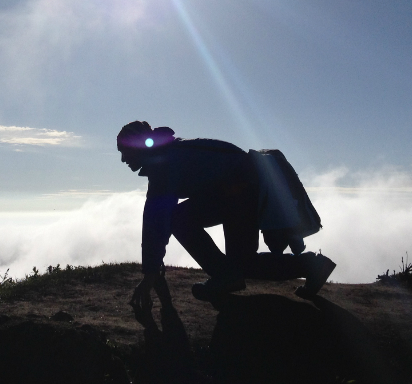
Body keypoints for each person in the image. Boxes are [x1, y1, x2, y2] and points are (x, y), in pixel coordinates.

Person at [118, 121, 336, 310]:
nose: (122, 159)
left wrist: (150, 273)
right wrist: (153, 267)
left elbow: (156, 219)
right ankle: (312, 266)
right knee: (243, 262)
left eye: (124, 151)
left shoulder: (164, 163)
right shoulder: (171, 154)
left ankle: (225, 275)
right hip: (243, 189)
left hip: (238, 191)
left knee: (180, 219)